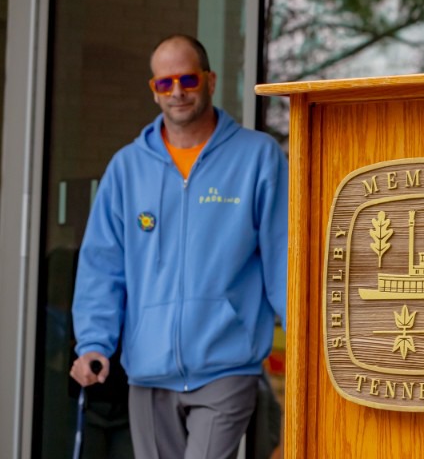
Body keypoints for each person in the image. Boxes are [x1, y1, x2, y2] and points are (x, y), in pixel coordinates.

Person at [70, 35, 288, 459]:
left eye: (187, 79)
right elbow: (103, 265)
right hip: (148, 372)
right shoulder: (127, 168)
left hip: (227, 365)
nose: (177, 92)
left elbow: (282, 257)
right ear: (154, 90)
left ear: (209, 79)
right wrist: (94, 343)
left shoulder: (257, 158)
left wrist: (304, 340)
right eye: (165, 83)